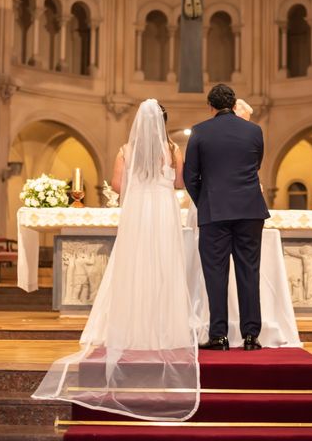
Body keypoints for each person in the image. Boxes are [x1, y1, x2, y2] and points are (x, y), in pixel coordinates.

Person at [33, 99, 199, 421]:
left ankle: (133, 326)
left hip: (138, 213)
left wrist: (140, 184)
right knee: (163, 267)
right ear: (163, 123)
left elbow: (118, 186)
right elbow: (179, 183)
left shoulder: (126, 150)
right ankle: (163, 328)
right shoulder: (174, 149)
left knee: (133, 267)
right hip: (164, 212)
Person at [184, 84, 270, 351]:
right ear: (234, 105)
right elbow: (256, 165)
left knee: (215, 274)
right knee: (249, 272)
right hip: (250, 211)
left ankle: (219, 336)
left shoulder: (200, 131)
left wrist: (206, 201)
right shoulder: (254, 131)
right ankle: (250, 336)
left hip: (215, 212)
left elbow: (190, 176)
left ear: (210, 107)